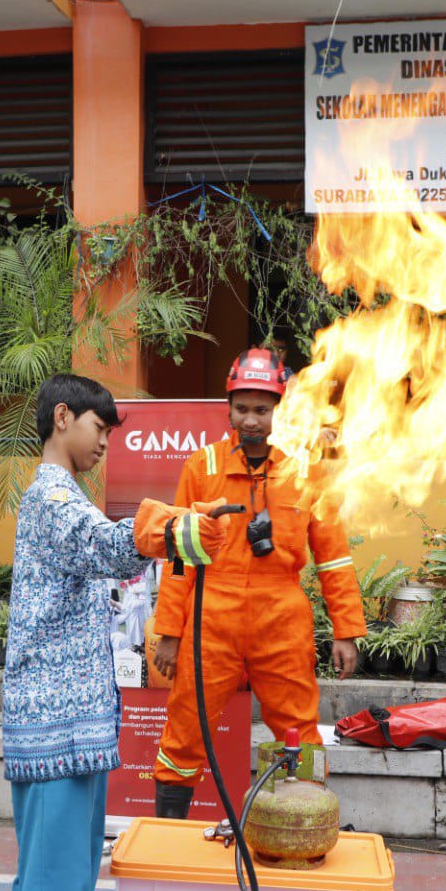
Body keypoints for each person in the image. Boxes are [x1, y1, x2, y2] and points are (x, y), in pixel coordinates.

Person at [2, 373, 229, 891]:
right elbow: (106, 543)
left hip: (69, 725)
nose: (106, 443)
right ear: (63, 418)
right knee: (54, 886)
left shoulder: (64, 495)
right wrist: (178, 527)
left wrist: (181, 524)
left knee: (62, 879)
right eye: (99, 427)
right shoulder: (53, 498)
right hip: (56, 728)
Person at [149, 348, 367, 819]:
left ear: (280, 411)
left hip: (282, 620)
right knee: (185, 730)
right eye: (242, 408)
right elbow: (180, 559)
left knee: (299, 732)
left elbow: (332, 558)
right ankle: (166, 836)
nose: (251, 420)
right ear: (227, 409)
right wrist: (168, 631)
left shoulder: (308, 470)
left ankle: (304, 828)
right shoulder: (200, 468)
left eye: (262, 410)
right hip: (211, 619)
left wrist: (346, 630)